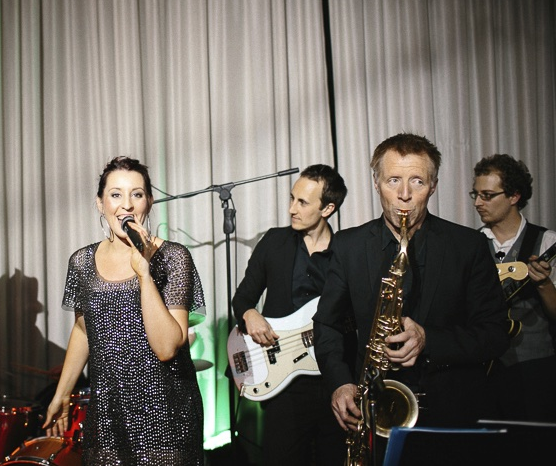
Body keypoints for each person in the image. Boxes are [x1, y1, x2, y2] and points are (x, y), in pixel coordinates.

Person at [312, 133, 509, 462]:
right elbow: (327, 324)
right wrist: (340, 383)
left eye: (417, 181)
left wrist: (428, 339)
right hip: (375, 413)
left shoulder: (468, 246)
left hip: (450, 416)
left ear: (433, 186)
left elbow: (495, 334)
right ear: (376, 183)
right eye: (393, 180)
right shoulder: (348, 246)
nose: (404, 195)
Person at [42, 156, 206, 465]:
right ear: (100, 203)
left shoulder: (173, 257)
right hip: (108, 413)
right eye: (115, 194)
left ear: (149, 202)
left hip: (166, 415)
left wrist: (144, 273)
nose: (126, 205)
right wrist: (62, 394)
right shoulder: (82, 262)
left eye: (137, 194)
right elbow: (83, 330)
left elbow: (167, 347)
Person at [231, 164, 348, 465]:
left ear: (328, 208)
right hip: (284, 381)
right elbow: (242, 297)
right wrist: (249, 313)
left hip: (333, 380)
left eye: (303, 202)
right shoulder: (274, 242)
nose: (291, 209)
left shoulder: (346, 253)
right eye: (292, 198)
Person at [472, 154, 556, 422]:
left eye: (487, 195)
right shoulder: (470, 244)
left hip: (535, 370)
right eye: (476, 194)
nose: (477, 203)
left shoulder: (546, 241)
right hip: (483, 369)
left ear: (514, 196)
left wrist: (543, 284)